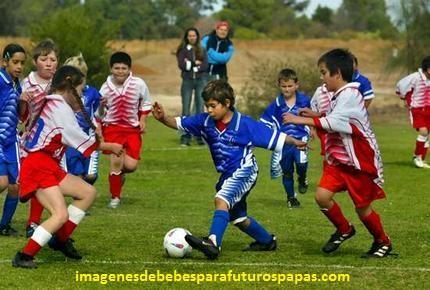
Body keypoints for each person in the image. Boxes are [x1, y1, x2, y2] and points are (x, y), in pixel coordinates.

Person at [152, 80, 306, 260]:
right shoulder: (205, 122)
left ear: (227, 103)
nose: (209, 110)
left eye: (213, 106)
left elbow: (274, 136)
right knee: (237, 216)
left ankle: (212, 243)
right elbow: (179, 123)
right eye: (207, 106)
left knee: (221, 199)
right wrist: (162, 118)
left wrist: (295, 142)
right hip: (228, 174)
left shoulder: (245, 124)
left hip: (245, 170)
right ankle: (266, 241)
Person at [283, 48, 393, 258]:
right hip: (339, 162)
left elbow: (336, 122)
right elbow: (336, 117)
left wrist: (300, 120)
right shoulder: (340, 95)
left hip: (358, 163)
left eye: (324, 72)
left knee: (363, 208)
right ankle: (344, 229)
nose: (322, 78)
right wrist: (316, 114)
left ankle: (383, 242)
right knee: (322, 197)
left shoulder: (351, 94)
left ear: (337, 74)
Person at [12, 66, 123, 269]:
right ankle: (24, 256)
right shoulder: (60, 108)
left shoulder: (52, 101)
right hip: (38, 166)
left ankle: (60, 240)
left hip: (46, 164)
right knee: (60, 214)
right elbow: (81, 141)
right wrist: (111, 146)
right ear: (69, 85)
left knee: (88, 192)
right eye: (80, 91)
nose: (81, 96)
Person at [99, 51, 152, 209]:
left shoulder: (139, 84)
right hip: (112, 128)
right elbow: (99, 113)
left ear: (129, 69)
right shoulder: (105, 88)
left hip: (132, 130)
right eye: (117, 68)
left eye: (123, 68)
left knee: (131, 166)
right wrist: (101, 107)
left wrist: (142, 120)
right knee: (116, 160)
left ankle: (118, 176)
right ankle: (115, 198)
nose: (120, 71)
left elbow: (146, 103)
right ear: (111, 69)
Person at [21, 39, 59, 238]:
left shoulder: (60, 83)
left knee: (45, 183)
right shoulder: (27, 83)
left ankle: (34, 223)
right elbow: (22, 116)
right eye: (44, 59)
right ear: (36, 61)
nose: (49, 63)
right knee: (23, 185)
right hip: (31, 142)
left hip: (54, 144)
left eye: (53, 59)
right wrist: (22, 102)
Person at [260, 69, 311, 208]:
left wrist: (312, 129)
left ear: (296, 85)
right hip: (284, 142)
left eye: (290, 86)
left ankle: (302, 178)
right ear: (279, 85)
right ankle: (291, 198)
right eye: (284, 86)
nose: (287, 89)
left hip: (301, 139)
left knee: (301, 163)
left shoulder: (305, 101)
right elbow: (265, 122)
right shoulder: (276, 105)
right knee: (287, 171)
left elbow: (313, 117)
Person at [63, 53, 101, 184]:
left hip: (89, 139)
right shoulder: (63, 95)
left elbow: (96, 113)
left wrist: (99, 124)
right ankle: (80, 199)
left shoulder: (93, 93)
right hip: (71, 142)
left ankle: (82, 195)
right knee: (76, 174)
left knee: (91, 175)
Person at [0, 44, 26, 236]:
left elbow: (20, 114)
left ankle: (4, 226)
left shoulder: (17, 84)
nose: (19, 66)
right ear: (5, 62)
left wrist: (23, 103)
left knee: (16, 185)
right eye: (15, 62)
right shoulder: (1, 81)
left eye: (22, 63)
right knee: (2, 183)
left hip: (11, 141)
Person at [396, 56, 430, 169]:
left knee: (427, 134)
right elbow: (401, 85)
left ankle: (421, 159)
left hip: (428, 109)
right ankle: (416, 157)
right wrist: (404, 98)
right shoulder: (415, 77)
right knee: (424, 132)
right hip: (417, 109)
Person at [176, 27, 208, 146]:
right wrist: (194, 64)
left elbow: (205, 66)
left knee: (200, 109)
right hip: (187, 81)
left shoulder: (202, 49)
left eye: (194, 36)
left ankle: (199, 136)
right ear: (186, 37)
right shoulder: (182, 50)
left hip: (200, 81)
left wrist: (190, 65)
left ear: (197, 37)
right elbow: (181, 65)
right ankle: (185, 136)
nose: (192, 38)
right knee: (186, 109)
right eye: (190, 36)